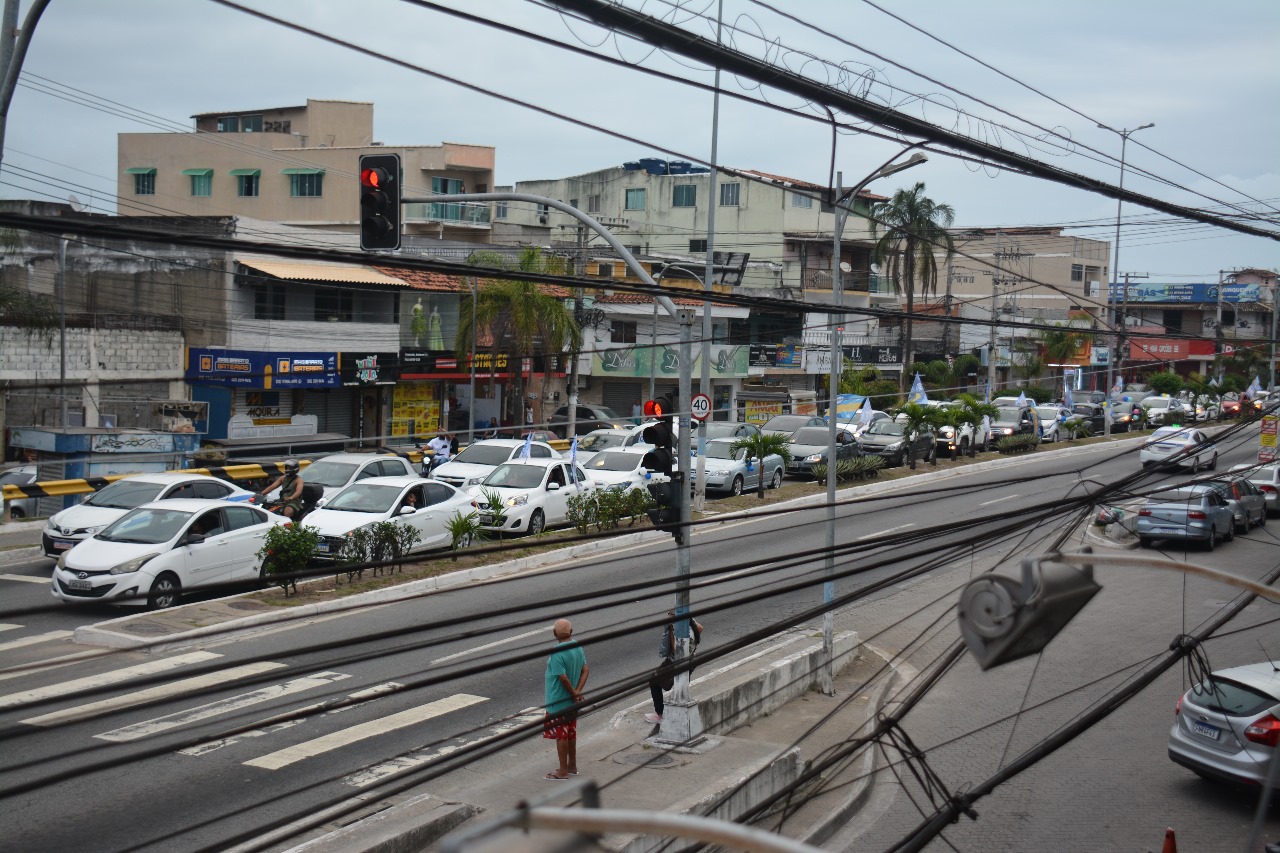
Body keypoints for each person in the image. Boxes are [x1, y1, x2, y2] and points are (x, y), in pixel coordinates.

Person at [544, 618, 588, 780]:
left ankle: (563, 770)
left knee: (561, 735)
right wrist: (577, 692)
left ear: (554, 634)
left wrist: (574, 693)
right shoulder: (576, 646)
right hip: (571, 702)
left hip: (558, 700)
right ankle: (572, 765)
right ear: (571, 632)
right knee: (570, 733)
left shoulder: (557, 652)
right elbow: (585, 670)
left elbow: (562, 678)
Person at [646, 610, 704, 724]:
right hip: (691, 660)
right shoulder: (691, 623)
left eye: (671, 615)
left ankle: (659, 714)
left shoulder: (679, 629)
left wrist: (672, 630)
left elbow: (675, 650)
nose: (668, 616)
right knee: (679, 687)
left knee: (654, 681)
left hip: (675, 662)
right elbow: (701, 628)